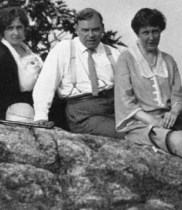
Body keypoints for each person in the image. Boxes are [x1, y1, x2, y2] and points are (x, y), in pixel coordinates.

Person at [115, 8, 182, 171]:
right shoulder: (126, 58)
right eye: (146, 32)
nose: (151, 37)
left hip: (169, 120)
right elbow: (126, 102)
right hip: (141, 125)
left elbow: (178, 96)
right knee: (180, 142)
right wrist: (153, 121)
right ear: (137, 33)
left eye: (155, 32)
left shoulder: (168, 60)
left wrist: (173, 113)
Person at [33, 8, 121, 137]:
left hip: (114, 108)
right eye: (85, 30)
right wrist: (41, 116)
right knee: (125, 134)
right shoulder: (64, 49)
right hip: (82, 112)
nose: (91, 35)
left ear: (102, 28)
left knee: (144, 129)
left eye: (95, 29)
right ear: (76, 29)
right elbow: (45, 85)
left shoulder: (114, 53)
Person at [0, 7, 43, 122]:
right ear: (3, 31)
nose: (15, 33)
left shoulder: (28, 51)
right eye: (10, 28)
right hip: (10, 114)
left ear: (25, 29)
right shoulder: (0, 54)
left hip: (34, 112)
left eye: (19, 27)